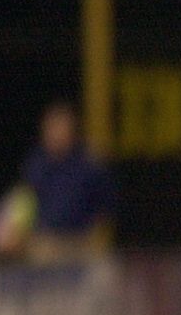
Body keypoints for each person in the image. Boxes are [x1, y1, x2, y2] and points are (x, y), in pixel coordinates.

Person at [14, 101, 116, 263]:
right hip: (44, 242)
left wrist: (97, 239)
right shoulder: (35, 164)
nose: (56, 132)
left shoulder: (89, 164)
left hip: (80, 243)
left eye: (62, 127)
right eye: (52, 127)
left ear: (72, 130)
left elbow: (105, 207)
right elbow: (24, 202)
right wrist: (19, 233)